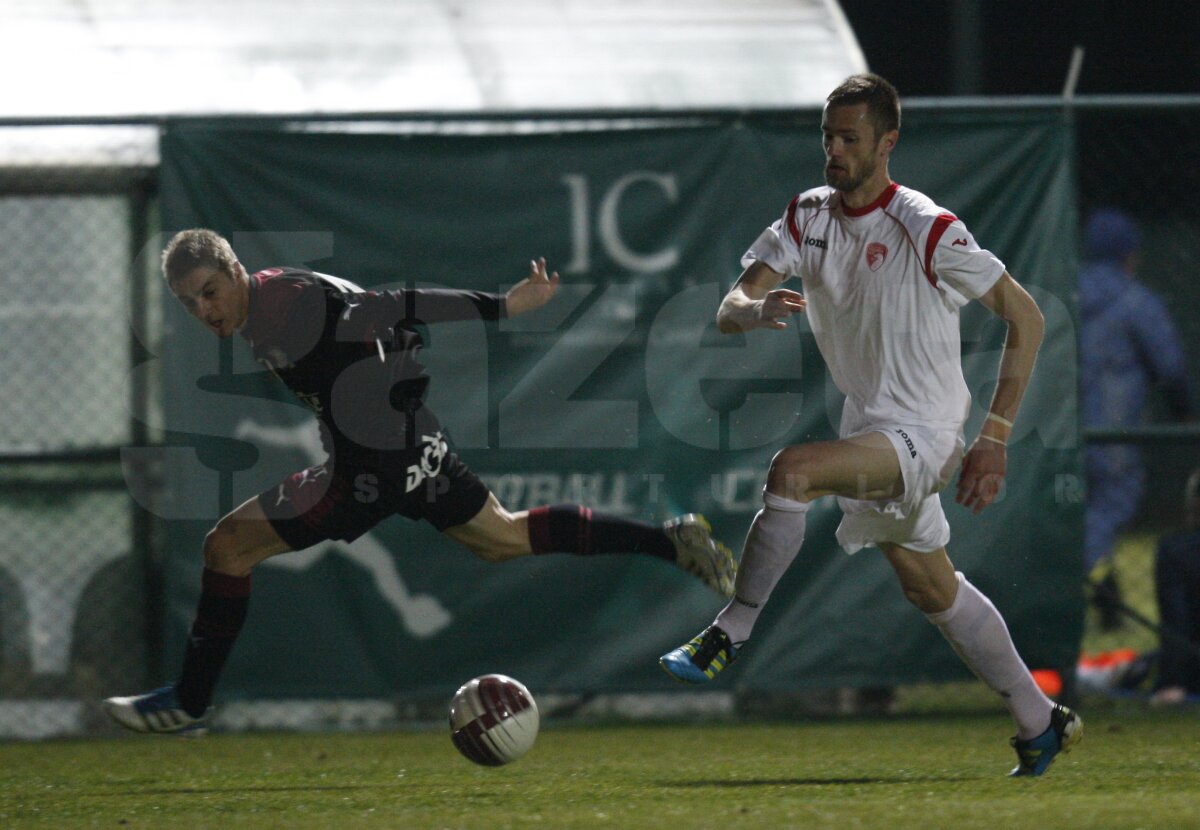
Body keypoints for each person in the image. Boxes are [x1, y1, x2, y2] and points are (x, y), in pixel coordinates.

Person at [103, 229, 735, 735]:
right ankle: (670, 540)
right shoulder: (266, 306)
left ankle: (188, 701)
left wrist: (502, 306)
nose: (205, 310)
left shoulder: (283, 303)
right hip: (412, 444)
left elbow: (386, 305)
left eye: (210, 291)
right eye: (190, 304)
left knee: (227, 546)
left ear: (237, 271)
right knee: (503, 538)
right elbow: (373, 321)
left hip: (363, 473)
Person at [658, 73, 1081, 777]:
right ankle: (1041, 722)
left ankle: (729, 631)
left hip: (928, 433)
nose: (834, 150)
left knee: (791, 472)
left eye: (849, 138)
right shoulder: (808, 217)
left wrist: (994, 438)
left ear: (888, 142)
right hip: (871, 430)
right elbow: (732, 302)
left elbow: (1027, 317)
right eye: (827, 135)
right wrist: (751, 310)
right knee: (931, 588)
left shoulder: (927, 227)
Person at [1078, 208, 1193, 626]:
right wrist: (1183, 412)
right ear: (1129, 254)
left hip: (1058, 429)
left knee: (1071, 505)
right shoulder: (1134, 300)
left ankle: (1104, 592)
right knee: (1111, 504)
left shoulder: (1062, 291)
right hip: (1115, 426)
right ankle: (1097, 585)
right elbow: (1170, 366)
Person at [1150, 468, 1200, 705]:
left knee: (1132, 669)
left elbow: (1176, 621)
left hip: (1191, 673)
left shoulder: (1176, 551)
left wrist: (1172, 681)